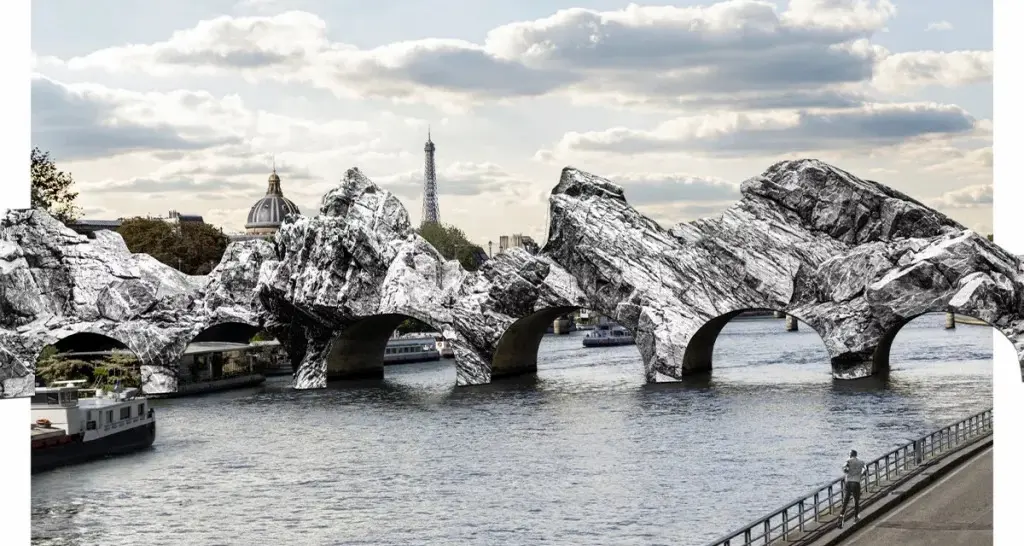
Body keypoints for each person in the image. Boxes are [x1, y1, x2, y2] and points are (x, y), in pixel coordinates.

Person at [838, 449, 865, 528]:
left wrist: (847, 471)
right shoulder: (861, 462)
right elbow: (865, 469)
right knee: (856, 501)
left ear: (850, 455)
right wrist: (861, 475)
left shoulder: (848, 461)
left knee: (846, 501)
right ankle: (856, 517)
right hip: (856, 482)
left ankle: (841, 516)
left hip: (848, 482)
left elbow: (844, 469)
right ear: (856, 455)